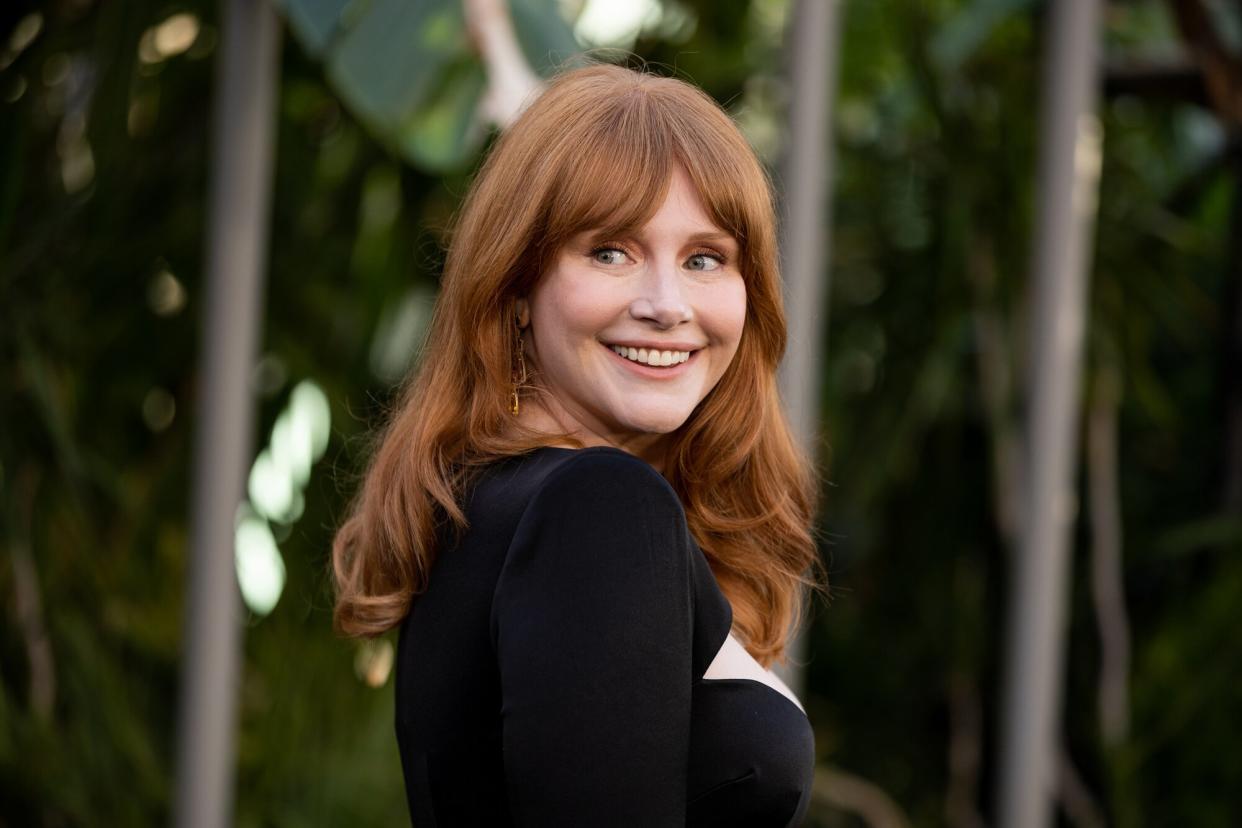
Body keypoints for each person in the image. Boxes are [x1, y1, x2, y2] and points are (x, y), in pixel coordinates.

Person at [331, 62, 829, 827]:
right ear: (519, 287)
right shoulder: (598, 508)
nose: (666, 306)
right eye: (611, 252)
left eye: (704, 259)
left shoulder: (488, 505)